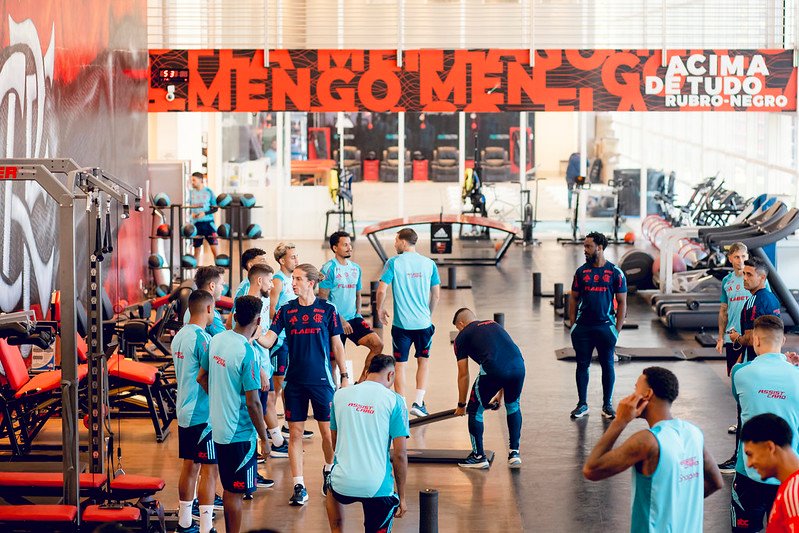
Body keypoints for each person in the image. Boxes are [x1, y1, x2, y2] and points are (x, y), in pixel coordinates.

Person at [583, 367, 723, 532]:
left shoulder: (647, 441)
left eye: (636, 389)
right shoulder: (693, 432)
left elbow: (591, 470)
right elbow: (716, 482)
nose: (632, 395)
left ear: (647, 394)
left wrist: (620, 420)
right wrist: (678, 503)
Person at [258, 264, 349, 506]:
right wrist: (255, 332)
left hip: (322, 381)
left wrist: (345, 374)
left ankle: (329, 470)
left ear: (311, 282)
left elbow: (337, 345)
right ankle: (299, 484)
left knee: (327, 433)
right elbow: (269, 340)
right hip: (294, 382)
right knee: (295, 434)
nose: (293, 283)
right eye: (293, 278)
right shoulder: (286, 311)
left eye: (298, 279)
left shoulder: (328, 309)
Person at [198, 295, 269, 533]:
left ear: (235, 316)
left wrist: (220, 398)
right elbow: (254, 404)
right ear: (258, 320)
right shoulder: (247, 352)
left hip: (218, 428)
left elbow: (202, 377)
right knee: (235, 492)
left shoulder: (216, 340)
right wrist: (265, 438)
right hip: (239, 434)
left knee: (230, 488)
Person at [730, 315, 799, 533]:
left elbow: (739, 400)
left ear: (756, 340)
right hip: (787, 475)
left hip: (750, 471)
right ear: (783, 341)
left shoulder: (739, 373)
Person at [325, 354, 409, 533]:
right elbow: (400, 455)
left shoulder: (340, 395)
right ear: (390, 375)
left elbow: (335, 444)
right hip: (377, 488)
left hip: (342, 485)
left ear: (367, 371)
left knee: (331, 486)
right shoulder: (395, 401)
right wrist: (402, 497)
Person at [376, 228, 441, 416]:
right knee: (424, 362)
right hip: (423, 324)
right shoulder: (429, 264)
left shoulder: (394, 263)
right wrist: (427, 314)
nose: (395, 244)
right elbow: (436, 295)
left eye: (396, 240)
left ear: (403, 242)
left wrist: (379, 309)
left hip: (401, 326)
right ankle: (418, 403)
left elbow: (381, 290)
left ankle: (402, 405)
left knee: (400, 364)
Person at [452, 308, 525, 469]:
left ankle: (478, 456)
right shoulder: (494, 325)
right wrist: (501, 394)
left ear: (461, 324)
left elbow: (463, 374)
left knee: (475, 410)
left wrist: (462, 405)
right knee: (513, 405)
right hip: (519, 366)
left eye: (457, 328)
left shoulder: (462, 337)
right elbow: (504, 356)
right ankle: (514, 453)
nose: (458, 331)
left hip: (494, 369)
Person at [171, 289, 219, 533]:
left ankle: (185, 523)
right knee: (210, 471)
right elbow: (205, 378)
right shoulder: (203, 339)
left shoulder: (179, 336)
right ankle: (206, 527)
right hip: (202, 415)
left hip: (184, 410)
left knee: (190, 467)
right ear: (209, 309)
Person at [568, 231, 627, 419]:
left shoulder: (615, 272)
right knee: (582, 365)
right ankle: (582, 404)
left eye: (588, 246)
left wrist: (616, 330)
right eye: (584, 246)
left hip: (605, 327)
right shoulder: (581, 272)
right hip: (583, 328)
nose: (585, 249)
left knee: (607, 364)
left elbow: (623, 302)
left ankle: (607, 405)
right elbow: (573, 298)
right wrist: (573, 325)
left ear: (599, 248)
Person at [319, 231, 383, 382]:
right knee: (333, 363)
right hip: (334, 321)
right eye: (345, 244)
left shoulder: (356, 268)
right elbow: (322, 299)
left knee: (377, 344)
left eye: (350, 244)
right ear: (335, 248)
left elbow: (358, 294)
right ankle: (335, 394)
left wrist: (359, 315)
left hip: (353, 319)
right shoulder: (328, 269)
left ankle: (361, 382)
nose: (349, 247)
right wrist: (340, 320)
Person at [241, 263, 288, 468]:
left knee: (263, 406)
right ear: (259, 280)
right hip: (257, 368)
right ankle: (251, 467)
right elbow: (245, 341)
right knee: (253, 415)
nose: (272, 285)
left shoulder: (263, 301)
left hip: (264, 364)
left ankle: (267, 449)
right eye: (269, 281)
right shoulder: (248, 305)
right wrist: (259, 369)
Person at [717, 243, 759, 472]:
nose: (741, 260)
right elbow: (723, 310)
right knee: (735, 381)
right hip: (732, 338)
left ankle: (747, 422)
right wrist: (720, 337)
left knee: (751, 382)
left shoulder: (755, 280)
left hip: (750, 339)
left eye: (744, 255)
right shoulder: (727, 282)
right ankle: (742, 417)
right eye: (737, 256)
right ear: (730, 258)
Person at [269, 242, 312, 439]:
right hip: (280, 342)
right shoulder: (278, 280)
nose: (296, 259)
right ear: (281, 260)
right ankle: (272, 430)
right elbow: (271, 310)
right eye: (292, 257)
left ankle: (288, 424)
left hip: (292, 339)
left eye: (296, 256)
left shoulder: (293, 280)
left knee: (288, 384)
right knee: (277, 387)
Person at [740, 414, 799, 532]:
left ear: (770, 447)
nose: (749, 464)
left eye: (750, 454)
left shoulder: (794, 493)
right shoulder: (789, 487)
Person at [730, 257, 782, 364]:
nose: (744, 278)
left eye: (749, 274)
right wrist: (740, 358)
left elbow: (751, 339)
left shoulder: (753, 302)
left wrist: (737, 338)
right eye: (744, 273)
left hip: (754, 363)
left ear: (762, 278)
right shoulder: (773, 299)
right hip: (773, 361)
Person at [183, 266, 227, 336]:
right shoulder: (210, 314)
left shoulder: (190, 309)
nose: (223, 289)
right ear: (212, 286)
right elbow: (225, 341)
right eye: (221, 284)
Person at [188, 171, 219, 262]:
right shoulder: (190, 193)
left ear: (201, 180)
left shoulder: (209, 192)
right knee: (196, 252)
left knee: (215, 251)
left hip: (208, 224)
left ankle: (219, 274)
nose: (192, 182)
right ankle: (195, 274)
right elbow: (187, 208)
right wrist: (191, 214)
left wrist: (204, 213)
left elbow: (215, 208)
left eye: (194, 180)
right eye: (191, 180)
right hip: (196, 225)